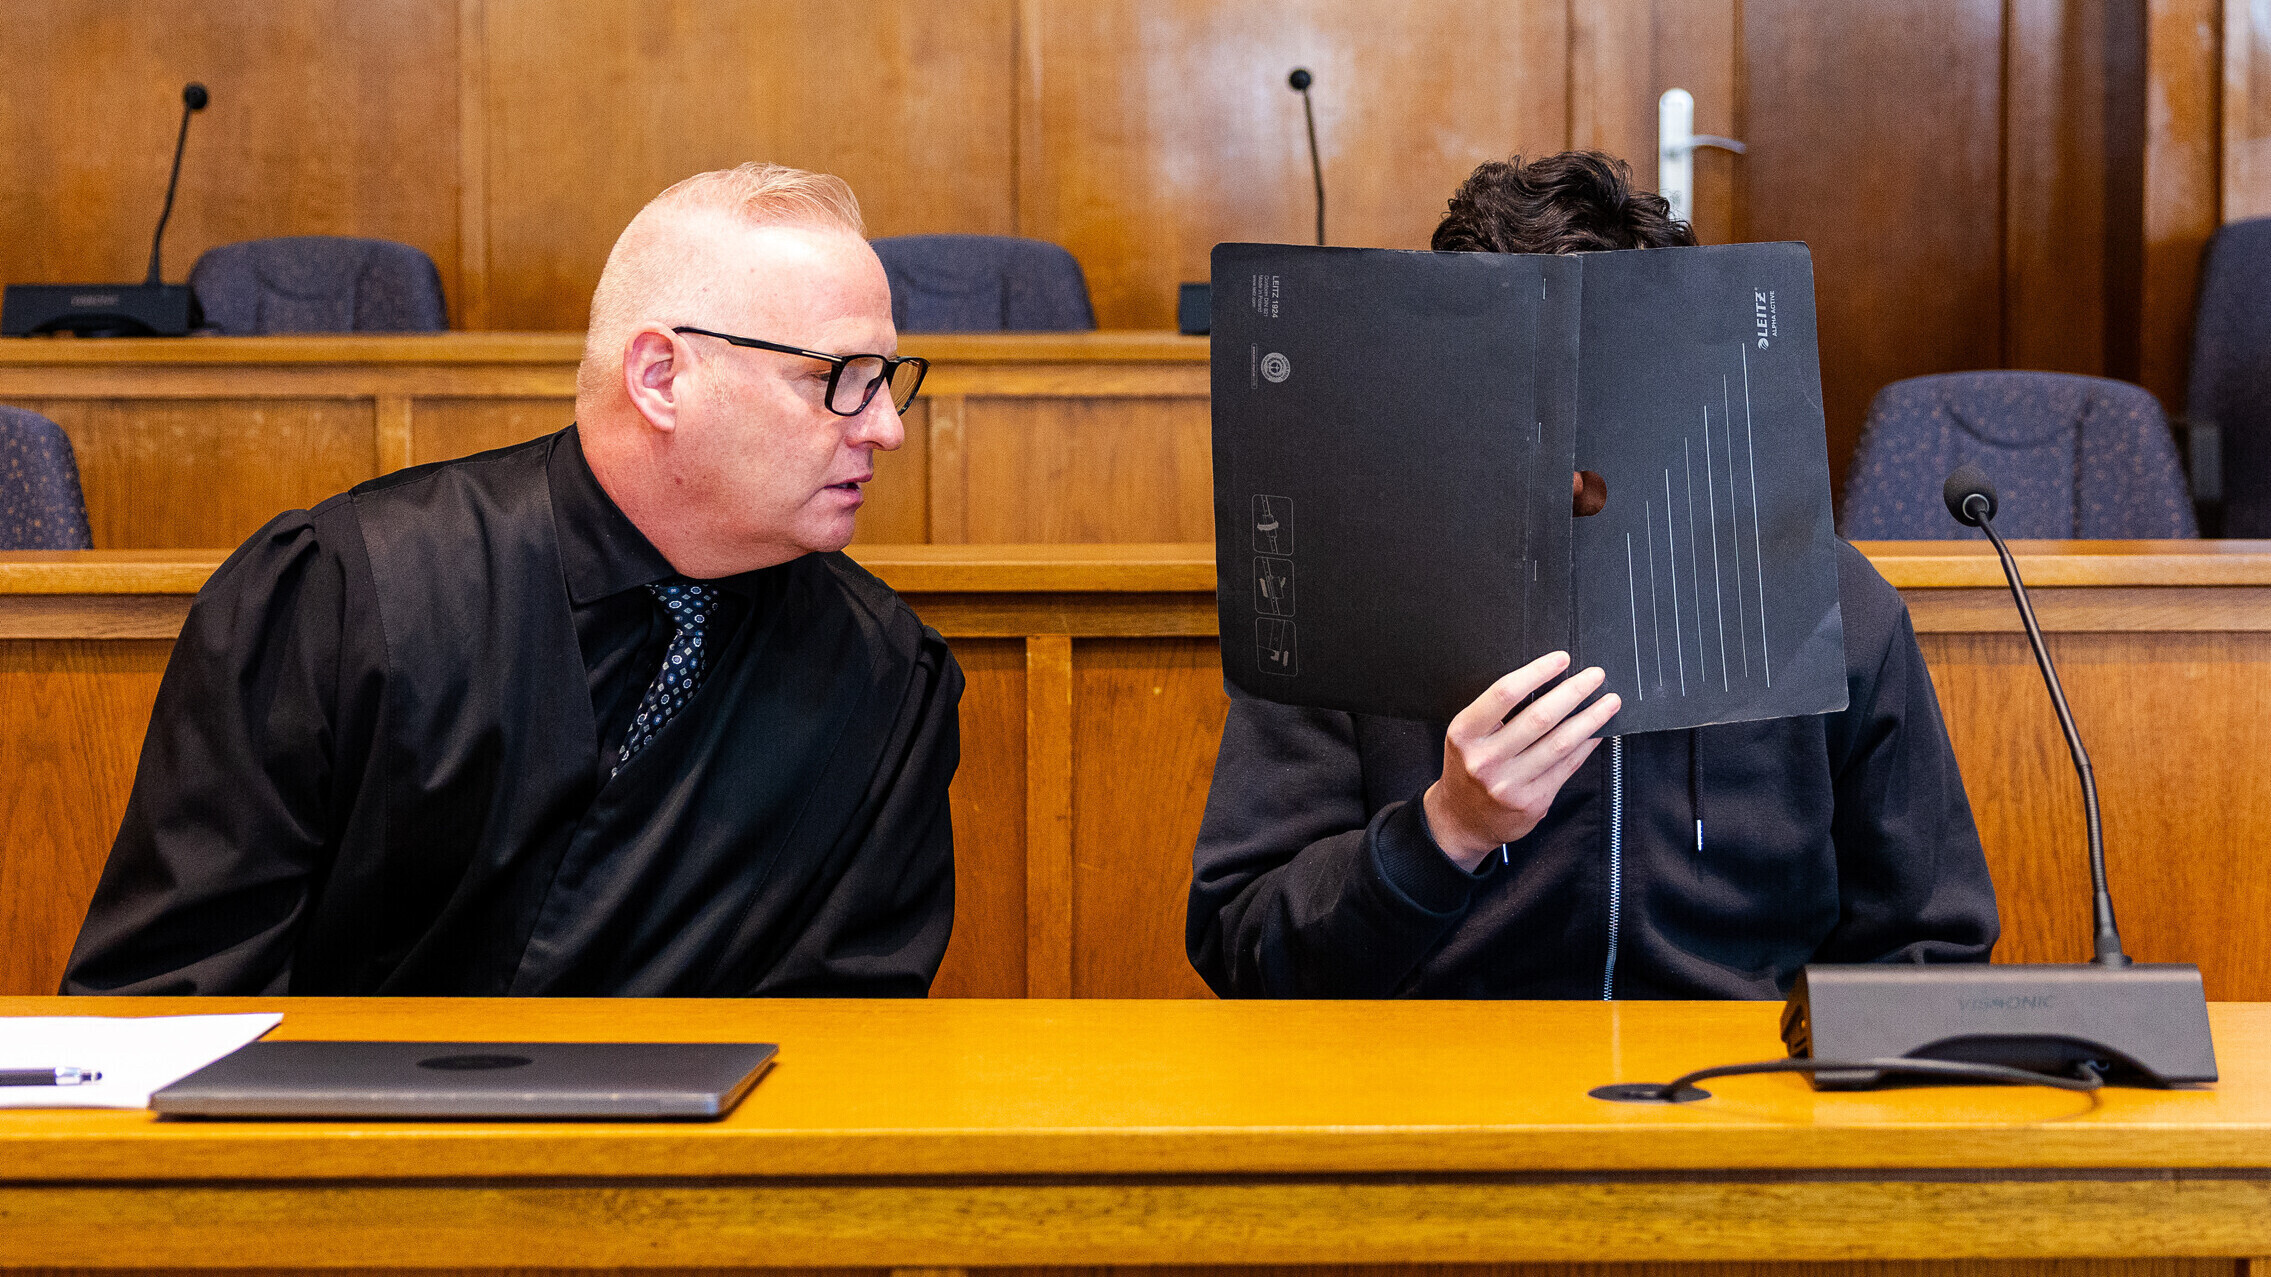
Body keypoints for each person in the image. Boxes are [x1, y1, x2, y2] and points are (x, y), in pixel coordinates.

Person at [64, 163, 962, 997]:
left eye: (887, 380)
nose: (885, 428)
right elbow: (170, 1002)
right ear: (660, 377)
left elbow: (845, 1039)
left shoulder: (882, 672)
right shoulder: (346, 596)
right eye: (839, 379)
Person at [1188, 151, 1997, 999]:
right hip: (1434, 1068)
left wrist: (1805, 1057)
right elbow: (1240, 942)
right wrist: (1445, 831)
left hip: (1738, 1070)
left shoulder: (1828, 604)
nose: (1573, 469)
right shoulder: (1341, 591)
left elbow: (1931, 940)